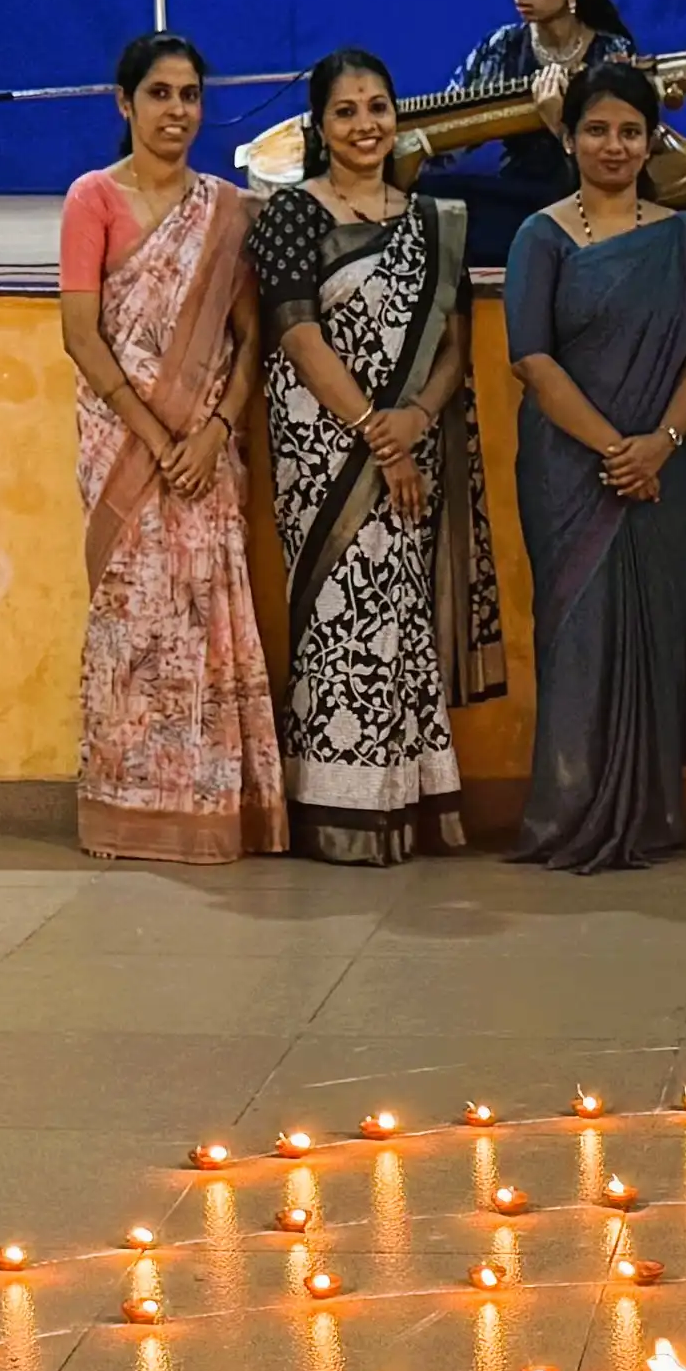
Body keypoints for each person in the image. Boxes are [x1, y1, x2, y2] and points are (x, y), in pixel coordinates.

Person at [246, 51, 495, 864]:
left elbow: (455, 348)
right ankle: (334, 804)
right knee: (337, 612)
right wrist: (372, 429)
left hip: (409, 446)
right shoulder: (292, 213)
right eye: (346, 112)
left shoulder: (433, 221)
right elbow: (296, 330)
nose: (365, 125)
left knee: (401, 617)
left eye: (378, 107)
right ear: (320, 127)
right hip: (323, 451)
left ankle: (403, 800)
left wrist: (415, 420)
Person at [55, 32, 286, 863]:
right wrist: (159, 438)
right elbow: (81, 336)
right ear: (125, 104)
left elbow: (249, 336)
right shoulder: (93, 199)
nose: (177, 111)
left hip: (206, 451)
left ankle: (212, 806)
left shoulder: (226, 211)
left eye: (190, 95)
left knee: (206, 614)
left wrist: (216, 430)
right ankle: (128, 809)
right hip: (125, 445)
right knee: (132, 617)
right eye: (159, 94)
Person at [504, 56, 686, 874]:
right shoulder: (542, 235)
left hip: (664, 471)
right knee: (578, 635)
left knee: (657, 632)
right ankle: (567, 812)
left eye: (630, 131)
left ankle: (649, 811)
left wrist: (661, 443)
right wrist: (615, 448)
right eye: (596, 129)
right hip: (574, 471)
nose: (613, 145)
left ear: (651, 141)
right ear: (568, 137)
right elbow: (531, 357)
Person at [446, 0, 632, 274]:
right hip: (517, 192)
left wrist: (558, 123)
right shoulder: (501, 47)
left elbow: (621, 154)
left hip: (588, 195)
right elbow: (454, 127)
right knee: (433, 204)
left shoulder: (611, 52)